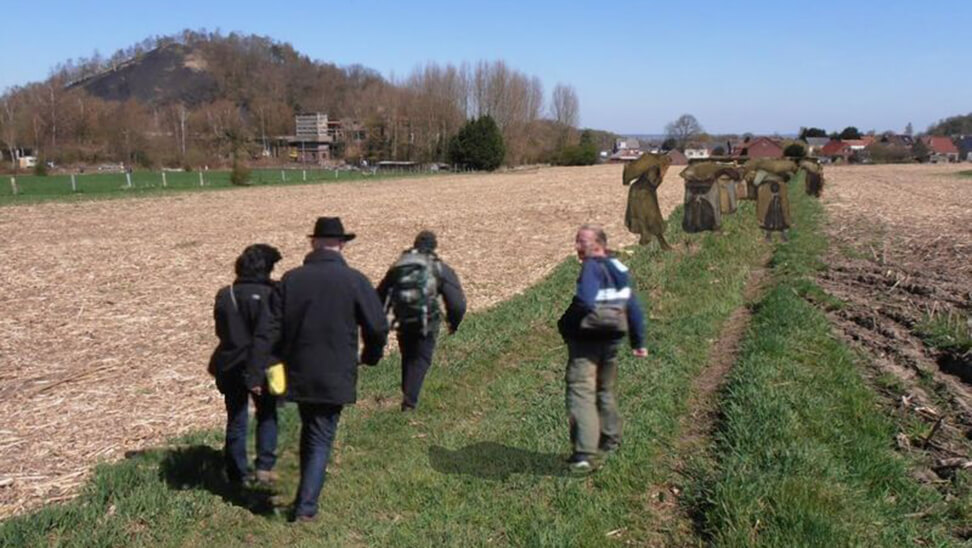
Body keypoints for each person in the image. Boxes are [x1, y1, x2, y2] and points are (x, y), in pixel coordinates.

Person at [256, 217, 388, 522]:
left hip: (299, 373)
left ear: (313, 242)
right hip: (336, 374)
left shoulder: (291, 279)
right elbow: (378, 327)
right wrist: (371, 355)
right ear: (341, 244)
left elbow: (270, 329)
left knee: (311, 431)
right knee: (320, 437)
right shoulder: (355, 280)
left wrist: (266, 369)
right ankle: (305, 509)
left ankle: (304, 497)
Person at [557, 224, 647, 472]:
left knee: (581, 391)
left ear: (598, 244)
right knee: (604, 390)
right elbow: (633, 306)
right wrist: (638, 342)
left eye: (581, 242)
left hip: (587, 342)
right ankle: (611, 440)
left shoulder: (591, 267)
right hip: (612, 339)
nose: (577, 247)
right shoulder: (618, 267)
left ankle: (585, 454)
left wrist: (566, 323)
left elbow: (585, 300)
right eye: (576, 241)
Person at [208, 243, 282, 485]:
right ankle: (264, 467)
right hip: (269, 365)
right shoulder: (274, 294)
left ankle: (237, 473)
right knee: (268, 414)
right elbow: (276, 333)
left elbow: (221, 331)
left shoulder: (225, 294)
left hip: (231, 364)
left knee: (236, 419)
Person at [377, 230, 466, 411]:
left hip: (403, 320)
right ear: (434, 246)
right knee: (421, 359)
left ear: (415, 244)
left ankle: (408, 397)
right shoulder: (438, 267)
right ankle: (409, 404)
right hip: (427, 322)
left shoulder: (399, 266)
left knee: (409, 357)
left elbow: (379, 295)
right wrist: (453, 323)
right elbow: (457, 303)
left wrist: (378, 322)